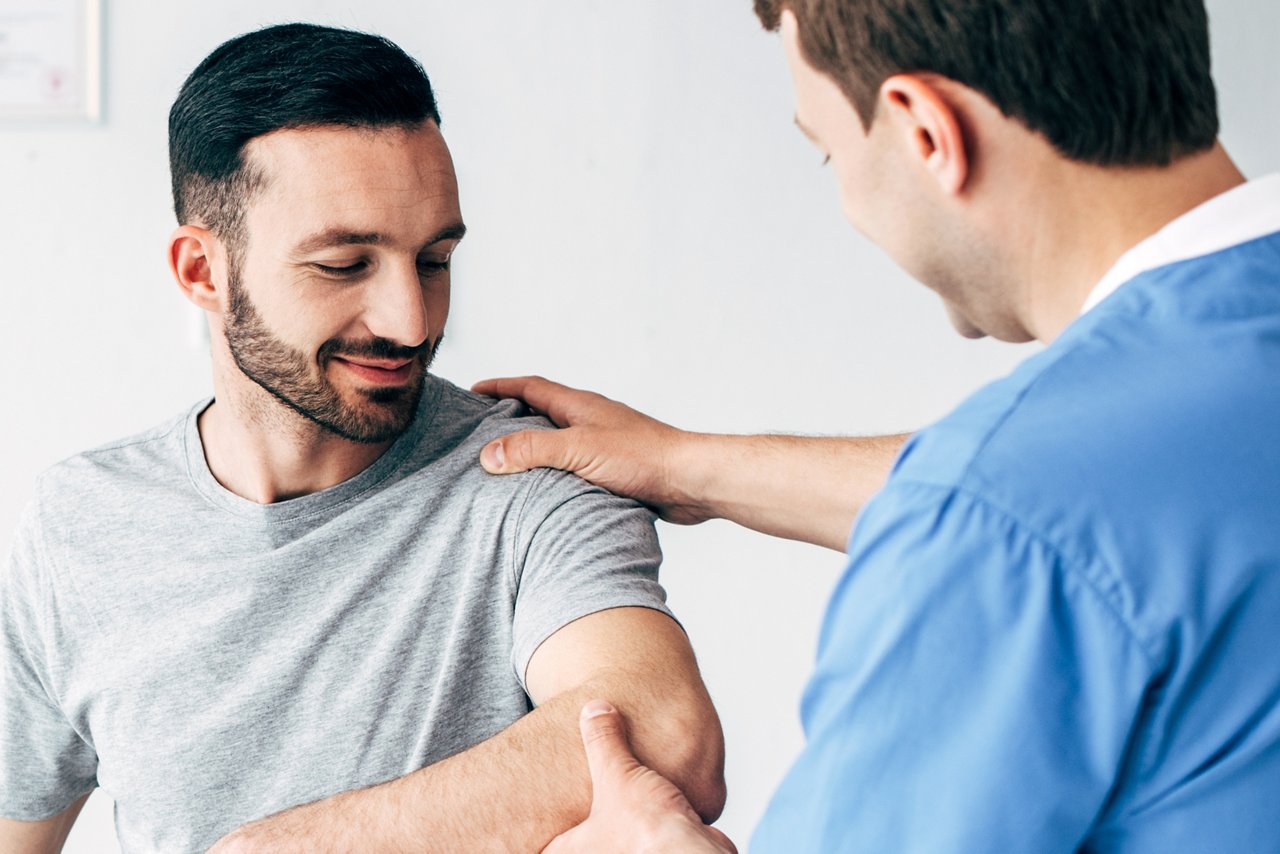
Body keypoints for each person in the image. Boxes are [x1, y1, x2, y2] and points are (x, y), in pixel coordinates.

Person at [478, 1, 1280, 851]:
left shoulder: (996, 519)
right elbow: (1141, 493)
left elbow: (1028, 515)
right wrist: (686, 466)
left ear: (928, 131)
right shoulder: (1127, 455)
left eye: (829, 151)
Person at [0, 24, 726, 854]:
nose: (410, 322)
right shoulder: (79, 522)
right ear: (203, 272)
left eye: (435, 260)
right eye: (345, 265)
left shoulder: (530, 476)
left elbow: (666, 730)